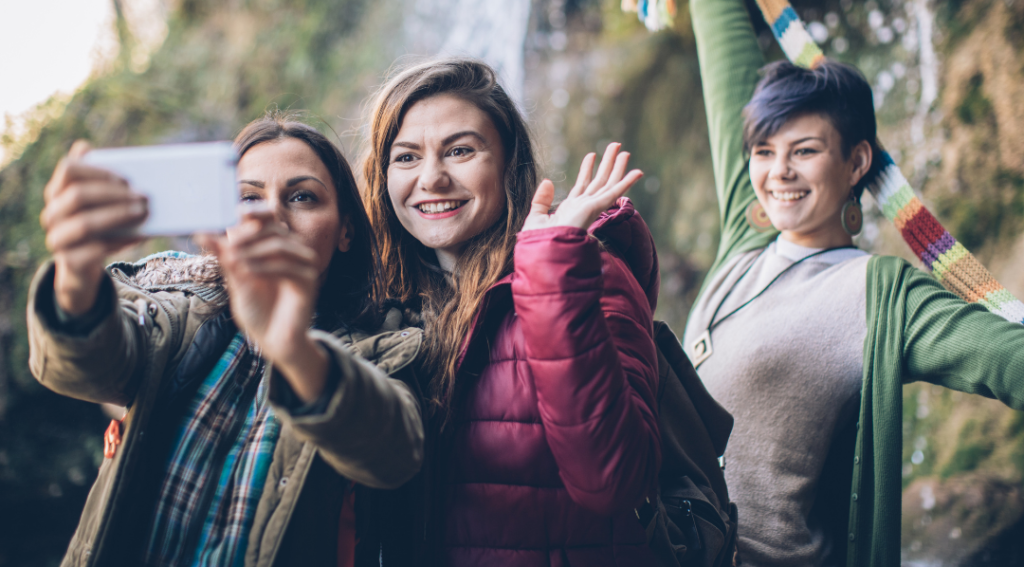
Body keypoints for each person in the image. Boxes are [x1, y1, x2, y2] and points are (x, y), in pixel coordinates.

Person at [681, 0, 1024, 567]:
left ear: (857, 162)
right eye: (764, 151)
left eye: (804, 151)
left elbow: (1003, 356)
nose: (777, 172)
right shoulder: (744, 238)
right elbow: (725, 71)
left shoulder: (878, 293)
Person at [28, 114, 424, 567]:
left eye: (302, 196)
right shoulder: (171, 312)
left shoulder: (387, 347)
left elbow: (394, 452)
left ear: (346, 231)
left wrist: (293, 347)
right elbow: (85, 366)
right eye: (247, 197)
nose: (270, 214)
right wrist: (76, 272)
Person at [360, 58, 661, 565]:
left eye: (460, 151)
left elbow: (614, 482)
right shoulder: (385, 303)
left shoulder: (589, 274)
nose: (431, 178)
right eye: (406, 157)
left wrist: (553, 269)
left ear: (509, 165)